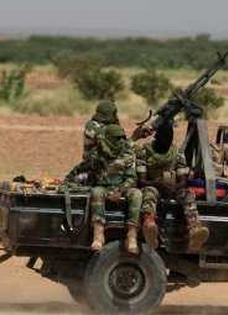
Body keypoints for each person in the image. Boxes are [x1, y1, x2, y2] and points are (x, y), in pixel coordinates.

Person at [136, 124, 209, 252]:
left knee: (187, 194)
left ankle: (195, 228)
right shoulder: (144, 152)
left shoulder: (177, 154)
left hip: (172, 188)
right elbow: (141, 181)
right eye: (163, 139)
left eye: (168, 139)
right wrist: (158, 183)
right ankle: (149, 225)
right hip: (153, 186)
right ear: (156, 138)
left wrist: (175, 187)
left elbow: (183, 180)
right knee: (149, 193)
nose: (165, 142)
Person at [88, 124, 143, 254]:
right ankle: (98, 234)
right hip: (104, 187)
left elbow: (131, 178)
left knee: (137, 194)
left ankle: (131, 235)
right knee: (96, 192)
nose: (120, 141)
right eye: (116, 138)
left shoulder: (128, 153)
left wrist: (120, 191)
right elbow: (92, 172)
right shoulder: (98, 152)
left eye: (121, 138)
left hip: (122, 189)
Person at [65, 100, 120, 184]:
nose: (116, 116)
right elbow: (108, 143)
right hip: (93, 163)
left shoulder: (109, 125)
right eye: (114, 113)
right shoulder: (92, 125)